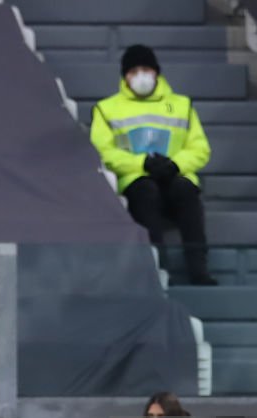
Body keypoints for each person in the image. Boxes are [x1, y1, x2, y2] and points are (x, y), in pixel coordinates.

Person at [90, 45, 217, 286]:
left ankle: (199, 269)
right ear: (125, 76)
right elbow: (103, 152)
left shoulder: (181, 105)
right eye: (134, 71)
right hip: (137, 179)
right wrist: (142, 164)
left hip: (174, 177)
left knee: (186, 192)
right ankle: (157, 268)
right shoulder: (107, 109)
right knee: (145, 192)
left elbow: (200, 148)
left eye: (146, 69)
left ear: (156, 72)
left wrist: (175, 165)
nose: (140, 76)